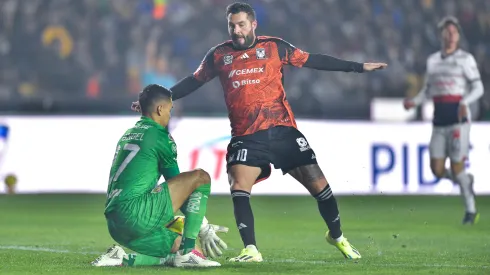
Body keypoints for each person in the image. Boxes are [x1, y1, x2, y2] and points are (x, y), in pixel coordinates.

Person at [132, 2, 386, 262]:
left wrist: (358, 67)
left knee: (319, 185)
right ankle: (250, 249)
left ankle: (337, 236)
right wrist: (158, 101)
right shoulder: (219, 56)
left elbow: (313, 60)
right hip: (246, 136)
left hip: (282, 130)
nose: (236, 30)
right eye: (232, 25)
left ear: (253, 24)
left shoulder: (275, 47)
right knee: (238, 182)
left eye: (241, 24)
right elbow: (193, 82)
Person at [95, 84, 227, 268]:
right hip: (137, 215)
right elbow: (183, 190)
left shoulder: (129, 134)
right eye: (170, 110)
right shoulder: (160, 137)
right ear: (160, 109)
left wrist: (196, 227)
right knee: (200, 178)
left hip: (116, 223)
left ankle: (123, 258)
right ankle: (187, 254)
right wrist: (204, 227)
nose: (170, 115)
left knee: (180, 243)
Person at [404, 16, 483, 225]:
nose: (450, 35)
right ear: (442, 35)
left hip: (459, 120)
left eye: (454, 32)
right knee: (437, 170)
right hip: (439, 121)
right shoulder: (433, 61)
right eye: (447, 32)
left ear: (458, 35)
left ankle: (471, 210)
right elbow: (428, 90)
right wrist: (415, 102)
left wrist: (465, 101)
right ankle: (466, 181)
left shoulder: (466, 59)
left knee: (457, 167)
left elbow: (479, 88)